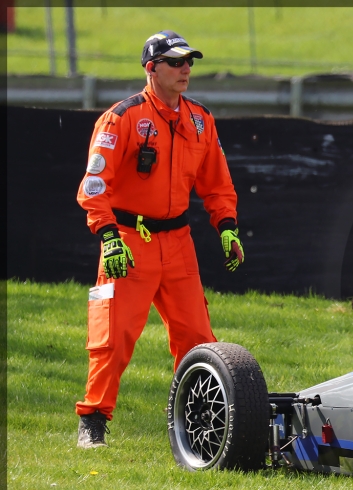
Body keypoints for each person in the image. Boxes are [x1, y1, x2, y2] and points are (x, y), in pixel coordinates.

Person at [75, 31, 245, 448]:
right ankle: (93, 421)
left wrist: (227, 227)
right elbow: (95, 185)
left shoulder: (201, 118)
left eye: (189, 61)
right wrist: (108, 235)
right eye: (176, 61)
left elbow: (217, 183)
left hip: (179, 243)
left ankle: (203, 424)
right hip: (128, 242)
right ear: (152, 68)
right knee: (112, 339)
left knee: (199, 340)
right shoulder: (122, 118)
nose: (186, 68)